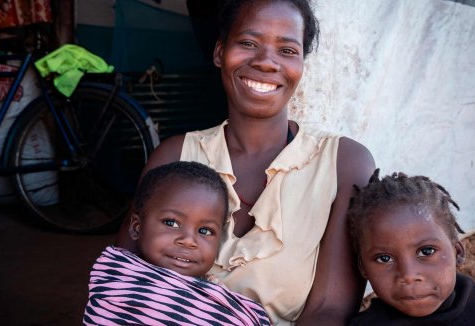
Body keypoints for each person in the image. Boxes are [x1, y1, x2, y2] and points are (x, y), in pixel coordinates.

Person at [117, 0, 376, 324]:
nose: (267, 62)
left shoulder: (344, 164)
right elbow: (122, 283)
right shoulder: (174, 156)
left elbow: (330, 309)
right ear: (219, 52)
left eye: (287, 50)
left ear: (302, 65)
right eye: (248, 43)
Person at [84, 161, 271, 326]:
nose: (189, 240)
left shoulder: (225, 303)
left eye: (205, 231)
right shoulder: (118, 285)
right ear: (136, 227)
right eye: (171, 223)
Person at [346, 170, 475, 325]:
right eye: (384, 258)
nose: (408, 275)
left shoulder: (467, 292)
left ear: (457, 252)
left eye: (427, 251)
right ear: (363, 267)